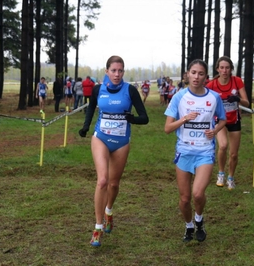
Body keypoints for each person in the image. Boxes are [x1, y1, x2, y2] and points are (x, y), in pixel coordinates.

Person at [79, 55, 149, 247]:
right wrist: (86, 127)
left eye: (120, 71)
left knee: (114, 184)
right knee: (102, 181)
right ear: (106, 71)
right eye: (113, 70)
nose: (117, 74)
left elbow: (145, 118)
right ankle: (97, 227)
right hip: (100, 137)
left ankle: (109, 211)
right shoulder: (97, 89)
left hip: (121, 142)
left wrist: (131, 118)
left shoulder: (130, 90)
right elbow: (91, 108)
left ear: (123, 72)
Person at [164, 59, 226, 243]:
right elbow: (167, 128)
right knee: (184, 199)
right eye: (193, 73)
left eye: (200, 74)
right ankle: (189, 225)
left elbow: (222, 119)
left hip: (205, 151)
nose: (196, 77)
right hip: (184, 151)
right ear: (187, 75)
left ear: (206, 77)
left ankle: (199, 220)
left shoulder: (214, 97)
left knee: (198, 194)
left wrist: (214, 130)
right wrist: (184, 119)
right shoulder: (179, 97)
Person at [206, 56, 250, 190]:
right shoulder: (212, 85)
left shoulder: (236, 81)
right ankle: (221, 173)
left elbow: (247, 103)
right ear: (217, 69)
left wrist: (237, 99)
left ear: (231, 69)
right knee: (223, 146)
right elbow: (205, 102)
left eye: (227, 68)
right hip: (220, 121)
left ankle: (230, 177)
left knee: (234, 153)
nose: (224, 70)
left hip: (234, 120)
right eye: (222, 68)